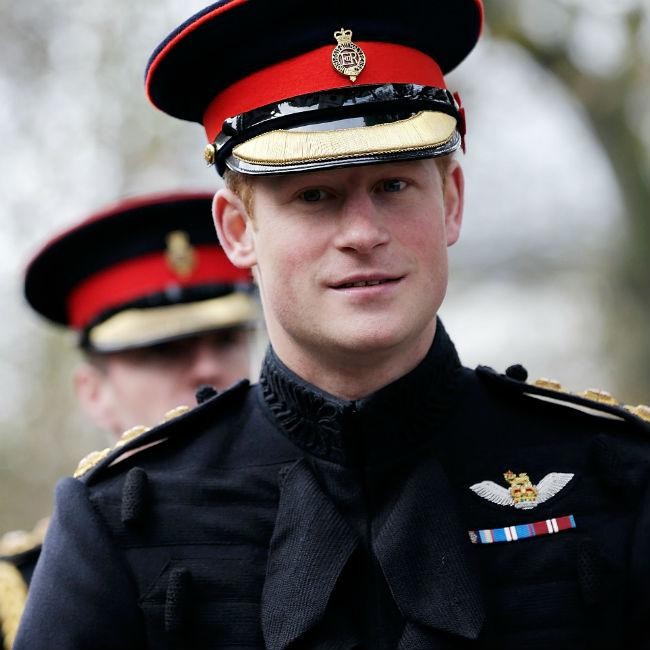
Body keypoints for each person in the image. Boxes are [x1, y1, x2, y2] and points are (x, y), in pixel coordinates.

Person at [15, 1, 650, 648]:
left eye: (394, 186)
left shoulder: (618, 477)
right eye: (314, 195)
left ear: (452, 201)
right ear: (238, 231)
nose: (363, 234)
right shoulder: (122, 520)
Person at [1, 191, 257, 650]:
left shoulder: (331, 520)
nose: (207, 369)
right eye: (163, 350)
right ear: (94, 394)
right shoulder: (22, 592)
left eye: (226, 340)